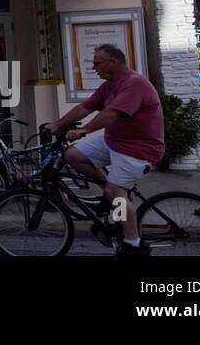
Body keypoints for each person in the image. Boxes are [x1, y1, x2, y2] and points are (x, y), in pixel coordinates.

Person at [44, 43, 165, 257]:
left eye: (97, 64)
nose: (94, 68)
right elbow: (85, 107)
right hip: (115, 142)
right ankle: (109, 197)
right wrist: (58, 123)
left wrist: (85, 130)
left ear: (114, 63)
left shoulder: (134, 84)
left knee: (115, 193)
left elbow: (112, 114)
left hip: (139, 149)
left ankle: (133, 243)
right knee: (72, 155)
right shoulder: (110, 84)